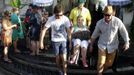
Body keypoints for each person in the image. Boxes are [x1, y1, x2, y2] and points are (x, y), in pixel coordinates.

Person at [89, 5, 130, 75]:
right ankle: (99, 73)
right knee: (101, 62)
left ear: (112, 14)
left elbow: (123, 31)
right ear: (103, 14)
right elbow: (94, 35)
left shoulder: (117, 21)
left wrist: (127, 42)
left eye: (109, 15)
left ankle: (100, 72)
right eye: (105, 15)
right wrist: (91, 45)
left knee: (109, 64)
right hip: (102, 45)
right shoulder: (99, 23)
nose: (107, 17)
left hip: (113, 46)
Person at [40, 4, 71, 75]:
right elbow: (44, 30)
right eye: (57, 15)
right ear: (54, 14)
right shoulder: (51, 19)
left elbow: (68, 30)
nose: (59, 17)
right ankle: (59, 69)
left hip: (63, 40)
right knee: (57, 58)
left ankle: (65, 72)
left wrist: (70, 42)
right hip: (55, 41)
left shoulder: (65, 19)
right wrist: (41, 42)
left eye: (61, 15)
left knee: (63, 57)